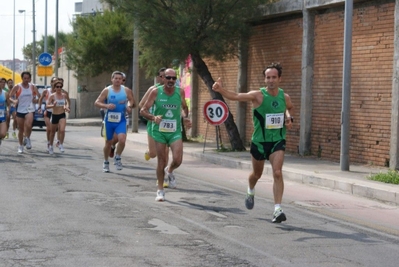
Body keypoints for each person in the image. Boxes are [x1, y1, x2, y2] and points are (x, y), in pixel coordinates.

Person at [212, 62, 294, 223]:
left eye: (274, 77)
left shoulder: (285, 97)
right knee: (257, 174)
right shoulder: (257, 95)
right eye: (268, 77)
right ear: (265, 79)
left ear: (279, 79)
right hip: (259, 142)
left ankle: (277, 209)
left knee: (277, 172)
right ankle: (250, 189)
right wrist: (220, 90)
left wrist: (289, 117)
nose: (271, 80)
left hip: (277, 140)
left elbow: (289, 107)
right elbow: (236, 96)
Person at [140, 68, 191, 202]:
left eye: (173, 78)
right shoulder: (155, 92)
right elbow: (143, 110)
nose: (171, 81)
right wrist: (153, 117)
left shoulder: (180, 92)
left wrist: (185, 117)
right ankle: (160, 190)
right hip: (159, 132)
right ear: (163, 78)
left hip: (175, 131)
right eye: (168, 78)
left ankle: (170, 170)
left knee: (178, 159)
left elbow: (185, 108)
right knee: (161, 161)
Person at [94, 71, 136, 172]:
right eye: (115, 78)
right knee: (108, 143)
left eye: (119, 79)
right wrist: (106, 106)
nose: (117, 80)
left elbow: (132, 100)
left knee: (122, 139)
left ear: (122, 80)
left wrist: (129, 106)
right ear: (112, 79)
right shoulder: (107, 90)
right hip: (109, 120)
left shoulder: (126, 90)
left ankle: (117, 157)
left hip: (121, 120)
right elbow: (97, 102)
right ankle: (105, 161)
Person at [138, 67, 170, 188]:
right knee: (154, 153)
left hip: (167, 125)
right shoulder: (153, 89)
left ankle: (161, 179)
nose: (164, 79)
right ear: (158, 77)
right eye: (161, 76)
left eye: (166, 76)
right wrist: (152, 114)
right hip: (153, 123)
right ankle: (148, 152)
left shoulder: (174, 91)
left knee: (165, 153)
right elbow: (141, 104)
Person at [9, 71, 41, 154]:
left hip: (30, 109)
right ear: (22, 78)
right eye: (25, 78)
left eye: (28, 78)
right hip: (20, 109)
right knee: (21, 129)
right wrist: (14, 100)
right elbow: (9, 97)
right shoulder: (17, 87)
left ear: (30, 78)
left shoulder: (33, 87)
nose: (26, 80)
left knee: (29, 124)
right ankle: (20, 146)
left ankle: (27, 138)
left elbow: (39, 97)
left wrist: (37, 101)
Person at [46, 80, 70, 154]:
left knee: (62, 130)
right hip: (54, 115)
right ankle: (50, 146)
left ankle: (60, 144)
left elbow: (66, 103)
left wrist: (67, 107)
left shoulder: (64, 95)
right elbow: (47, 106)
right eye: (57, 87)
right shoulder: (52, 96)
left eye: (60, 87)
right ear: (55, 88)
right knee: (52, 132)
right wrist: (53, 105)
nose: (59, 88)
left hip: (62, 114)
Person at [0, 78, 10, 147]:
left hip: (2, 116)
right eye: (1, 82)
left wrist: (8, 111)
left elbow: (8, 104)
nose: (3, 84)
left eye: (4, 82)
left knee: (3, 134)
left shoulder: (5, 93)